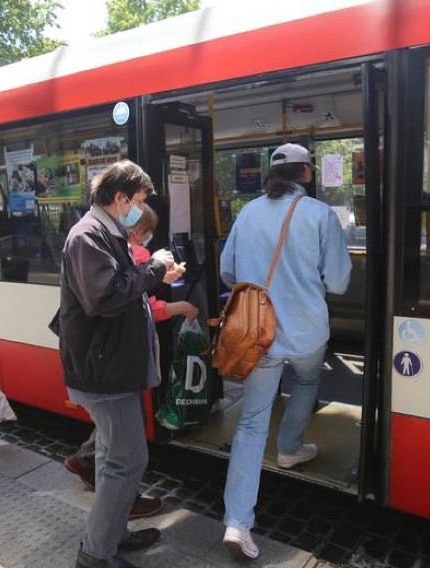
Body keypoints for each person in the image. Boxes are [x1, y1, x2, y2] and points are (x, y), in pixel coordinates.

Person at [218, 143, 352, 560]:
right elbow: (339, 283)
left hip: (258, 334)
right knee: (309, 379)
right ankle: (291, 448)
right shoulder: (319, 215)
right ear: (307, 175)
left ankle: (237, 523)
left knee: (252, 424)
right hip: (307, 331)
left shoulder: (248, 212)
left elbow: (227, 270)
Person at [59, 160, 185, 568]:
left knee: (116, 456)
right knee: (126, 459)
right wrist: (154, 268)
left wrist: (152, 272)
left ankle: (113, 535)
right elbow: (107, 297)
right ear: (120, 198)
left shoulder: (106, 232)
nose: (139, 209)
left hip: (112, 365)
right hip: (103, 371)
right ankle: (96, 553)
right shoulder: (88, 237)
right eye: (139, 201)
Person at [63, 203, 198, 520]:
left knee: (114, 446)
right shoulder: (120, 248)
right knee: (126, 454)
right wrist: (163, 279)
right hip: (117, 364)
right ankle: (106, 534)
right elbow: (142, 305)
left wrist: (160, 273)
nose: (147, 238)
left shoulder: (110, 244)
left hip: (110, 362)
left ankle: (112, 521)